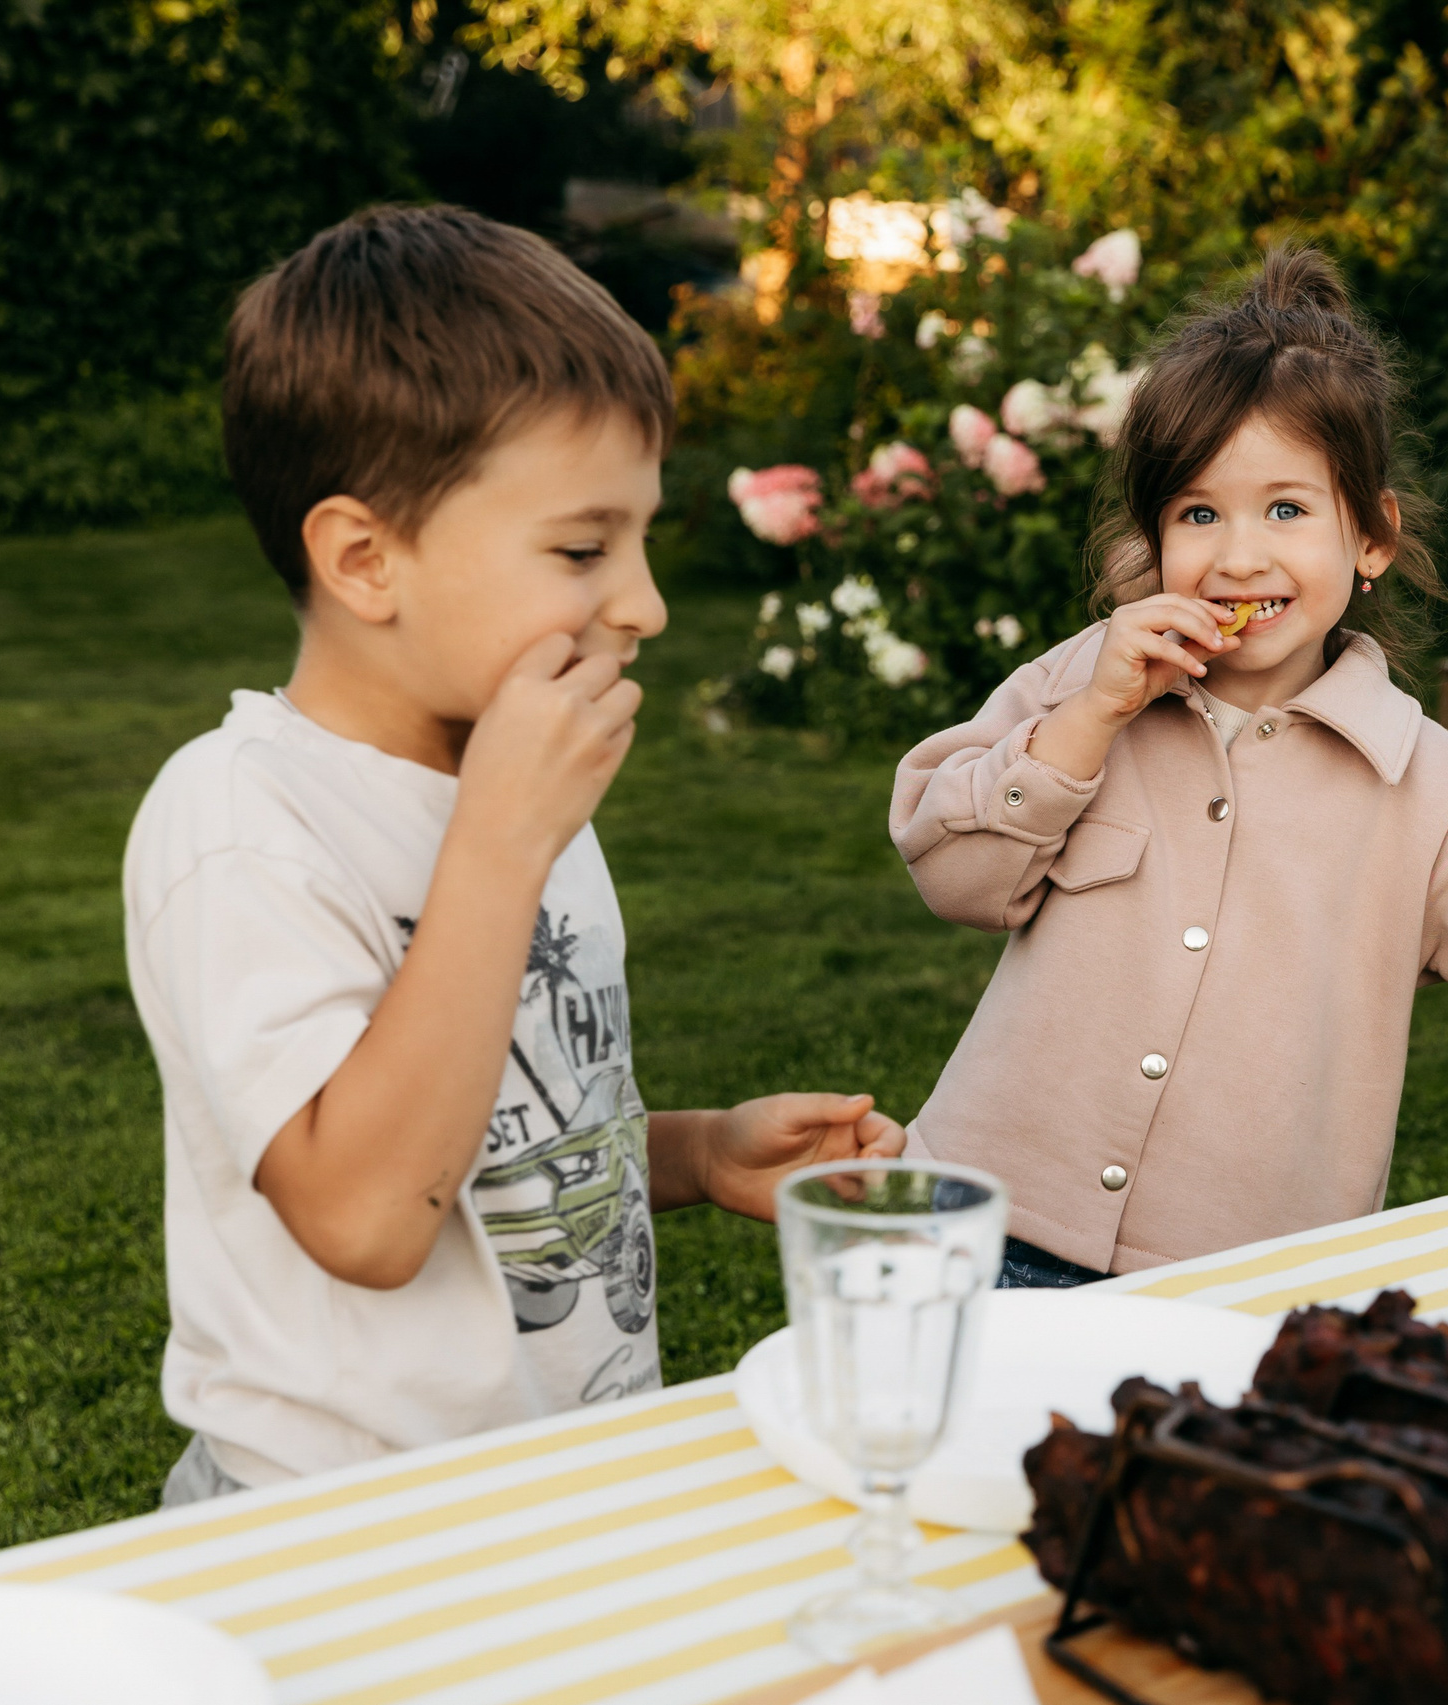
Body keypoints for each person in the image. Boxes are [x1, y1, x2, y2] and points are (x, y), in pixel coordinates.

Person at [125, 205, 905, 1505]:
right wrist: (497, 844)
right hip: (338, 1525)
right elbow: (367, 1217)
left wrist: (697, 1153)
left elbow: (515, 1134)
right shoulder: (241, 823)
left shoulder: (508, 790)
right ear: (366, 560)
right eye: (584, 549)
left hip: (557, 1482)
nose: (646, 604)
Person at [891, 247, 1448, 1289]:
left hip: (1238, 1278)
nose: (1239, 556)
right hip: (972, 1219)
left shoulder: (1427, 788)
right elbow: (954, 875)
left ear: (1371, 537)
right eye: (1198, 513)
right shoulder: (1084, 687)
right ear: (1153, 539)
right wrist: (1091, 716)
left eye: (1286, 510)